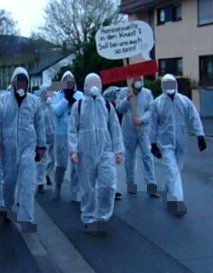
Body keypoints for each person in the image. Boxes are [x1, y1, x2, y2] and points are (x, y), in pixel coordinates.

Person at [0, 67, 47, 233]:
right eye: (18, 81)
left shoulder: (34, 101)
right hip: (8, 149)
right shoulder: (3, 101)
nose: (21, 84)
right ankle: (8, 208)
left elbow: (39, 124)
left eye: (24, 82)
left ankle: (27, 219)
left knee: (28, 184)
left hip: (28, 148)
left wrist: (41, 146)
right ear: (13, 82)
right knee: (9, 183)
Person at [69, 73, 124, 234]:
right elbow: (72, 130)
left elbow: (115, 128)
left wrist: (118, 150)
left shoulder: (107, 105)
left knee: (108, 185)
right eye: (91, 82)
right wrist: (73, 150)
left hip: (105, 151)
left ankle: (103, 217)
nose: (94, 86)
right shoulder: (78, 106)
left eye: (96, 82)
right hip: (84, 152)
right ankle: (89, 218)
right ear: (85, 85)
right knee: (88, 188)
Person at [148, 74, 207, 217]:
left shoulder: (184, 101)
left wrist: (200, 135)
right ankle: (177, 203)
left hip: (181, 141)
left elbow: (194, 117)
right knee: (172, 170)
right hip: (166, 142)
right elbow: (153, 125)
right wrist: (153, 143)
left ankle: (167, 191)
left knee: (176, 170)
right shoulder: (157, 103)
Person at [115, 77, 158, 199]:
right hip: (128, 130)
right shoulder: (124, 92)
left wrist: (142, 119)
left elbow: (151, 110)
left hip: (143, 130)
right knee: (129, 159)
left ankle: (151, 185)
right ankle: (131, 184)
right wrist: (127, 98)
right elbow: (119, 109)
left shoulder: (147, 93)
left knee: (147, 157)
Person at [50, 71, 84, 201]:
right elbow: (56, 112)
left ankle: (75, 192)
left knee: (76, 164)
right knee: (61, 164)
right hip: (61, 134)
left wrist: (75, 100)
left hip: (76, 133)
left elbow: (83, 112)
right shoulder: (58, 95)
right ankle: (58, 185)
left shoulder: (80, 95)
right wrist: (66, 99)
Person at [36, 86, 56, 194]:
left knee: (52, 160)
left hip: (52, 136)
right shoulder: (39, 106)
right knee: (42, 161)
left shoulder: (51, 105)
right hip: (42, 137)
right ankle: (40, 183)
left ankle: (46, 174)